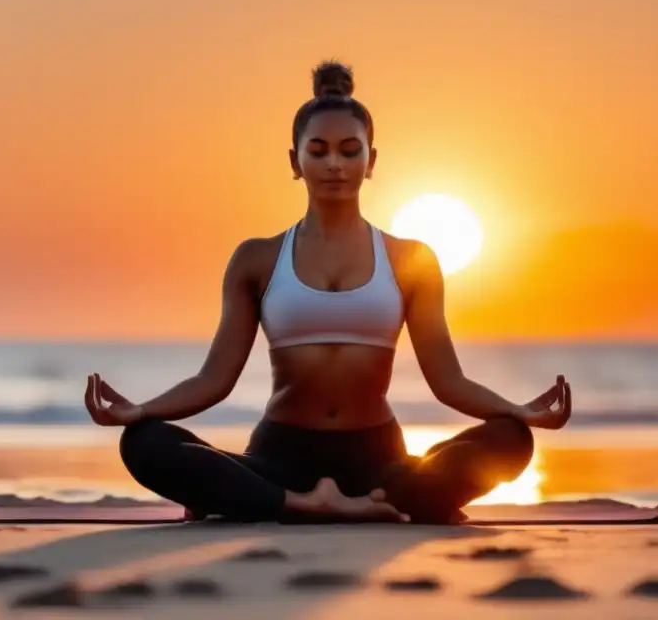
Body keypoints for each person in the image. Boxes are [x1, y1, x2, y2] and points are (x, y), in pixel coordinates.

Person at [83, 80, 573, 525]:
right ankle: (319, 503)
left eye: (348, 150)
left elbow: (449, 382)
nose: (335, 163)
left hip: (377, 458)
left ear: (371, 160)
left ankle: (300, 500)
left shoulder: (412, 259)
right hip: (279, 455)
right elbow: (214, 379)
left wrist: (518, 411)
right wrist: (141, 410)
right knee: (145, 443)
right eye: (318, 152)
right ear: (295, 162)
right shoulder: (257, 258)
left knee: (510, 440)